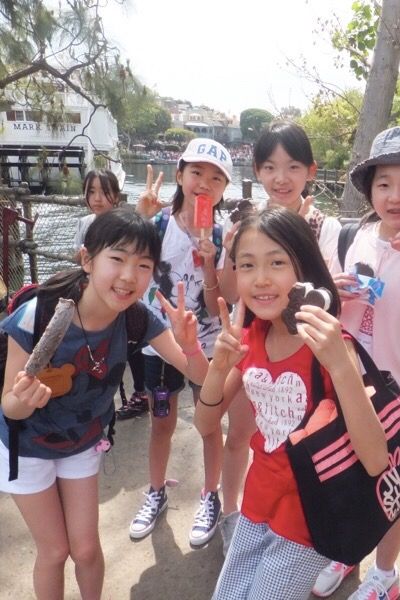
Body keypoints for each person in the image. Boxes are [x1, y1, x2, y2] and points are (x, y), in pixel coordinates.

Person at [0, 208, 208, 600]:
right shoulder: (36, 315)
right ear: (87, 259)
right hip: (25, 448)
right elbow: (9, 408)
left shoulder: (138, 319)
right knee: (54, 551)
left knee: (86, 549)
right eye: (117, 258)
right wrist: (24, 400)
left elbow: (201, 377)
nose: (129, 276)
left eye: (143, 265)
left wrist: (192, 346)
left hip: (81, 443)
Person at [194, 206, 389, 600]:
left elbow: (376, 461)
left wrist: (341, 365)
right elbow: (204, 424)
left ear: (304, 267)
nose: (261, 279)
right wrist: (218, 368)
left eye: (277, 263)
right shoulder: (252, 336)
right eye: (247, 265)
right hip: (257, 500)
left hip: (311, 514)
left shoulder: (331, 345)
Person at [311, 126, 400, 599]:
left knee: (396, 487)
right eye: (384, 183)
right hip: (345, 383)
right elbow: (322, 311)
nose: (395, 196)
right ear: (370, 189)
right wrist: (331, 290)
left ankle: (385, 573)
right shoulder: (349, 238)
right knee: (344, 479)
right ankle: (347, 552)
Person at [129, 139, 250, 549]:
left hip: (209, 348)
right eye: (197, 172)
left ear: (224, 189)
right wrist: (138, 219)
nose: (204, 183)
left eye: (217, 178)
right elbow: (126, 272)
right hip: (160, 344)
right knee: (161, 422)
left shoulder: (223, 235)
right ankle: (156, 491)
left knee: (209, 424)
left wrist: (214, 258)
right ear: (180, 175)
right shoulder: (157, 225)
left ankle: (209, 495)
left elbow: (220, 307)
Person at [74, 169, 150, 419]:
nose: (97, 198)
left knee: (131, 344)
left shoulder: (123, 224)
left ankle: (140, 393)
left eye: (104, 192)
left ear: (116, 195)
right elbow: (78, 258)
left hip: (120, 296)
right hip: (93, 296)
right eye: (91, 192)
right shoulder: (85, 223)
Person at [253, 120, 342, 267]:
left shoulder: (326, 229)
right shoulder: (243, 223)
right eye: (269, 167)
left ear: (311, 171)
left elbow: (327, 281)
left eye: (293, 167)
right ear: (257, 171)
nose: (281, 179)